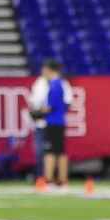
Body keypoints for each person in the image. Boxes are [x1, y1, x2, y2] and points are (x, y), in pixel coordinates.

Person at [35, 60, 72, 189]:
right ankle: (62, 180)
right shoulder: (60, 84)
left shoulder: (55, 85)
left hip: (53, 122)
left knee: (50, 152)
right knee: (60, 151)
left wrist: (38, 112)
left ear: (49, 69)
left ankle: (49, 179)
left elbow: (50, 106)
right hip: (59, 121)